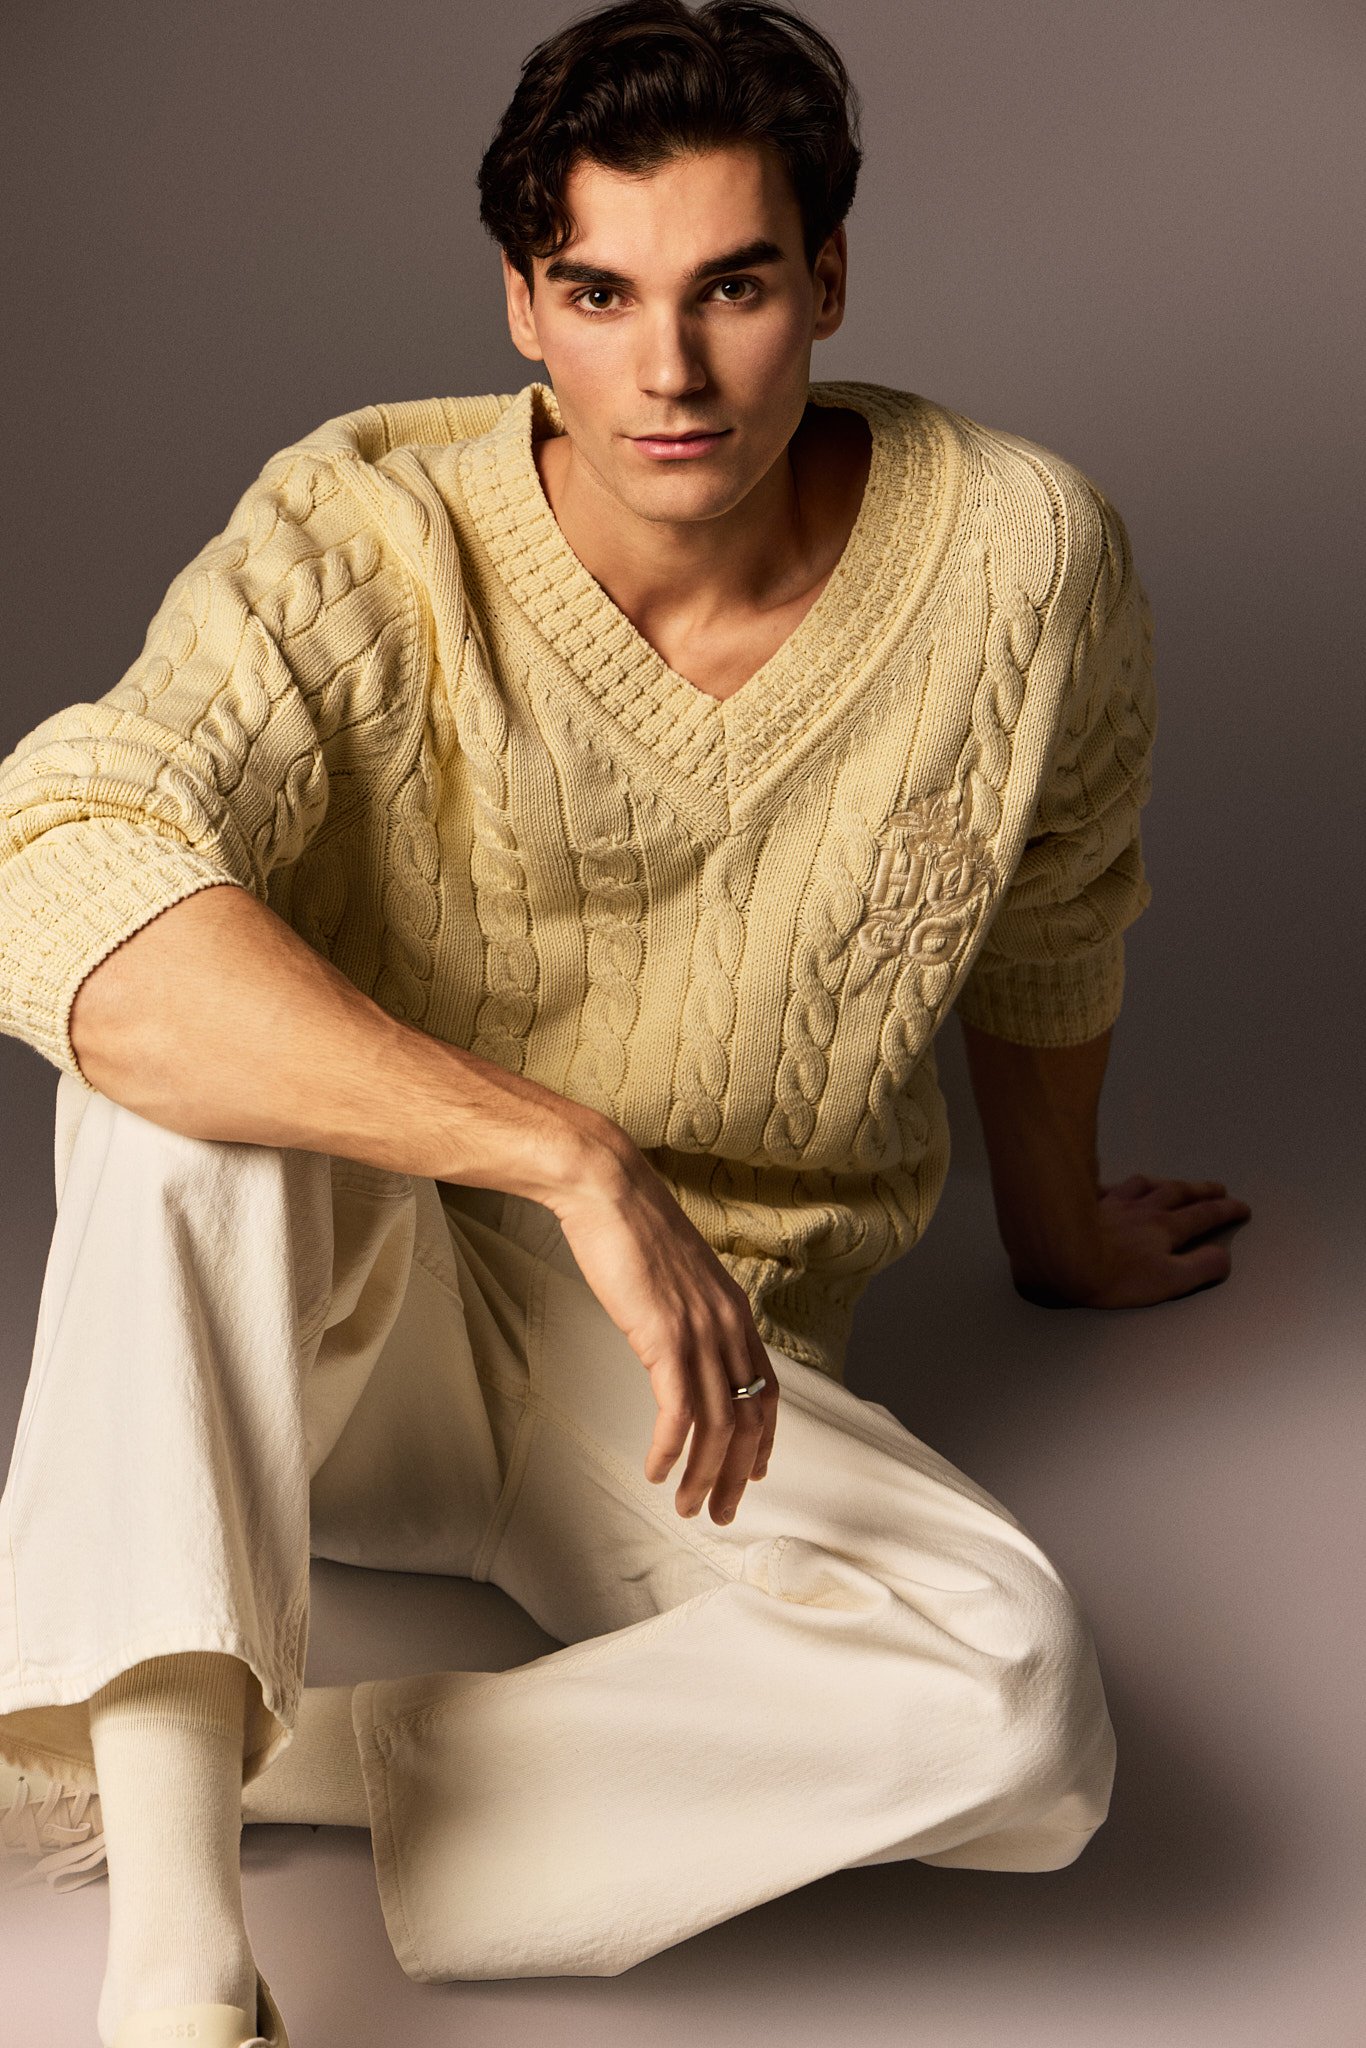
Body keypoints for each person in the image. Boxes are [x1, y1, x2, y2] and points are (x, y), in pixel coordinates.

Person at [0, 3, 1251, 2043]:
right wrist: (561, 1152)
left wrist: (1058, 1236)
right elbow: (57, 855)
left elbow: (1051, 907)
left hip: (692, 1365)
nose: (667, 371)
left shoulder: (1023, 557)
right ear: (523, 305)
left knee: (1018, 1706)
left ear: (825, 279)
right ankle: (175, 1966)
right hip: (346, 1310)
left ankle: (253, 1745)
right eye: (598, 294)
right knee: (162, 1053)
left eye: (729, 288)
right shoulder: (364, 529)